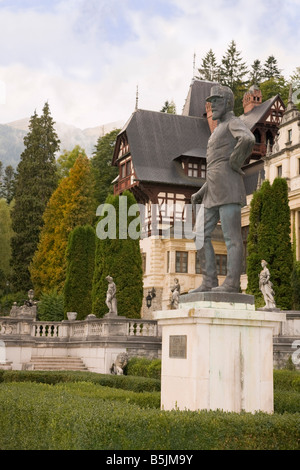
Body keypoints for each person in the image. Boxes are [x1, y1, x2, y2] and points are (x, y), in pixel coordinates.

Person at [191, 84, 255, 293]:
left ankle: (232, 283)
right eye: (211, 102)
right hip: (212, 192)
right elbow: (216, 166)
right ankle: (209, 281)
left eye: (216, 101)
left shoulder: (233, 122)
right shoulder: (218, 129)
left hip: (229, 190)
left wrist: (235, 162)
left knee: (232, 238)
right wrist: (201, 192)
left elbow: (248, 139)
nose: (212, 105)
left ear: (228, 102)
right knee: (199, 234)